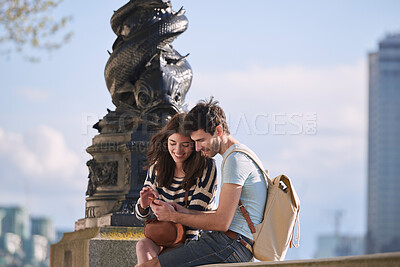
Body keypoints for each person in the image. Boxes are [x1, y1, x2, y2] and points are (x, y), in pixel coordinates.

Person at [138, 98, 268, 267]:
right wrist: (184, 211)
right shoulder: (240, 155)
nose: (197, 148)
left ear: (218, 131)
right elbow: (220, 215)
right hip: (231, 243)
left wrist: (174, 216)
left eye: (201, 140)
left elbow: (222, 223)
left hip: (231, 245)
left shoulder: (234, 161)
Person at [135, 113, 217, 265]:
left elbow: (197, 218)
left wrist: (170, 212)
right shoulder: (157, 168)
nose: (178, 150)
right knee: (142, 246)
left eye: (185, 145)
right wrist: (144, 205)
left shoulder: (206, 167)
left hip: (195, 238)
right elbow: (142, 217)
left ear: (194, 144)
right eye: (172, 143)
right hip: (165, 235)